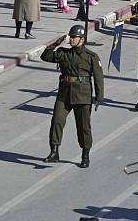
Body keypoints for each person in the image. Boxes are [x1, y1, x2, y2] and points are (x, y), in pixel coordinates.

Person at [41, 24, 104, 169]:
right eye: (71, 37)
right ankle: (54, 152)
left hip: (82, 95)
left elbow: (98, 78)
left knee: (83, 127)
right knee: (57, 120)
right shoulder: (64, 53)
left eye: (73, 37)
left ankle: (85, 154)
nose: (71, 40)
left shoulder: (91, 57)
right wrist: (53, 45)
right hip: (65, 93)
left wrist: (99, 96)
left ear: (81, 39)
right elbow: (46, 57)